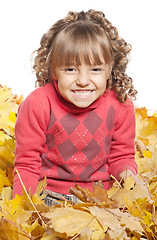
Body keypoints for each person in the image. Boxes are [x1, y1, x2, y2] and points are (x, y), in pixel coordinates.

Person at [13, 9, 138, 205]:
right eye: (70, 69)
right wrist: (21, 211)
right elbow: (27, 164)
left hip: (102, 199)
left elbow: (121, 156)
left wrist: (131, 180)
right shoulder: (38, 104)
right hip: (48, 196)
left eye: (95, 69)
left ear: (109, 70)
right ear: (53, 69)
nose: (82, 81)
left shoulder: (120, 106)